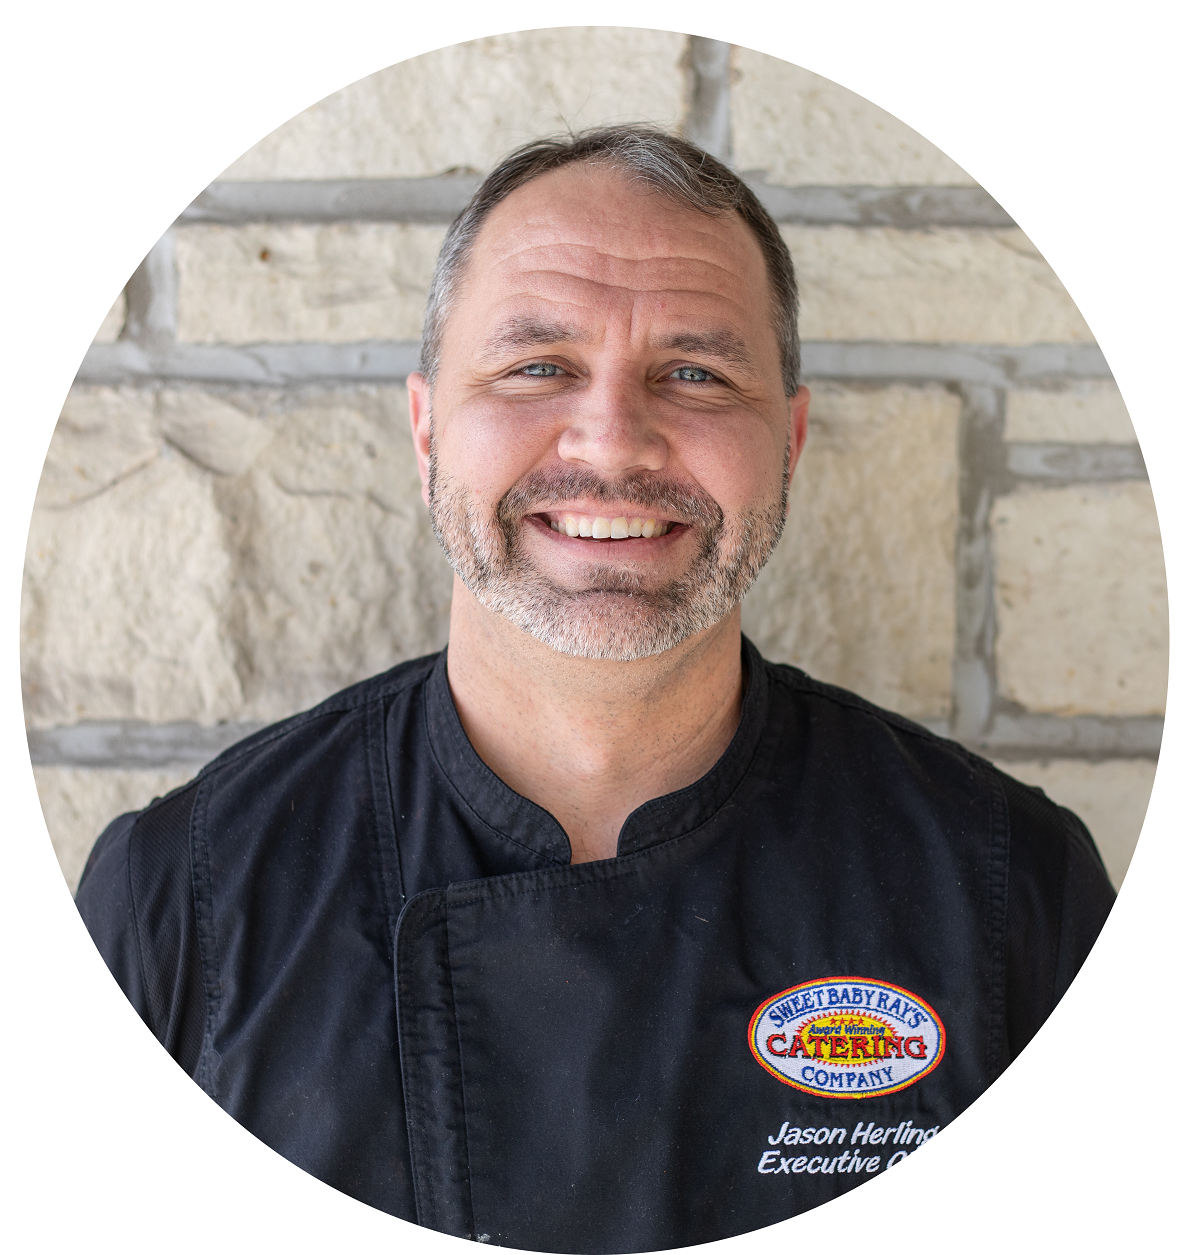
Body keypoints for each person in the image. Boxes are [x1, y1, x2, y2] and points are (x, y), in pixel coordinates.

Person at [75, 126, 1115, 1252]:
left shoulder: (1015, 892)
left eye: (695, 373)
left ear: (792, 443)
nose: (615, 440)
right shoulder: (181, 899)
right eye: (538, 367)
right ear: (426, 430)